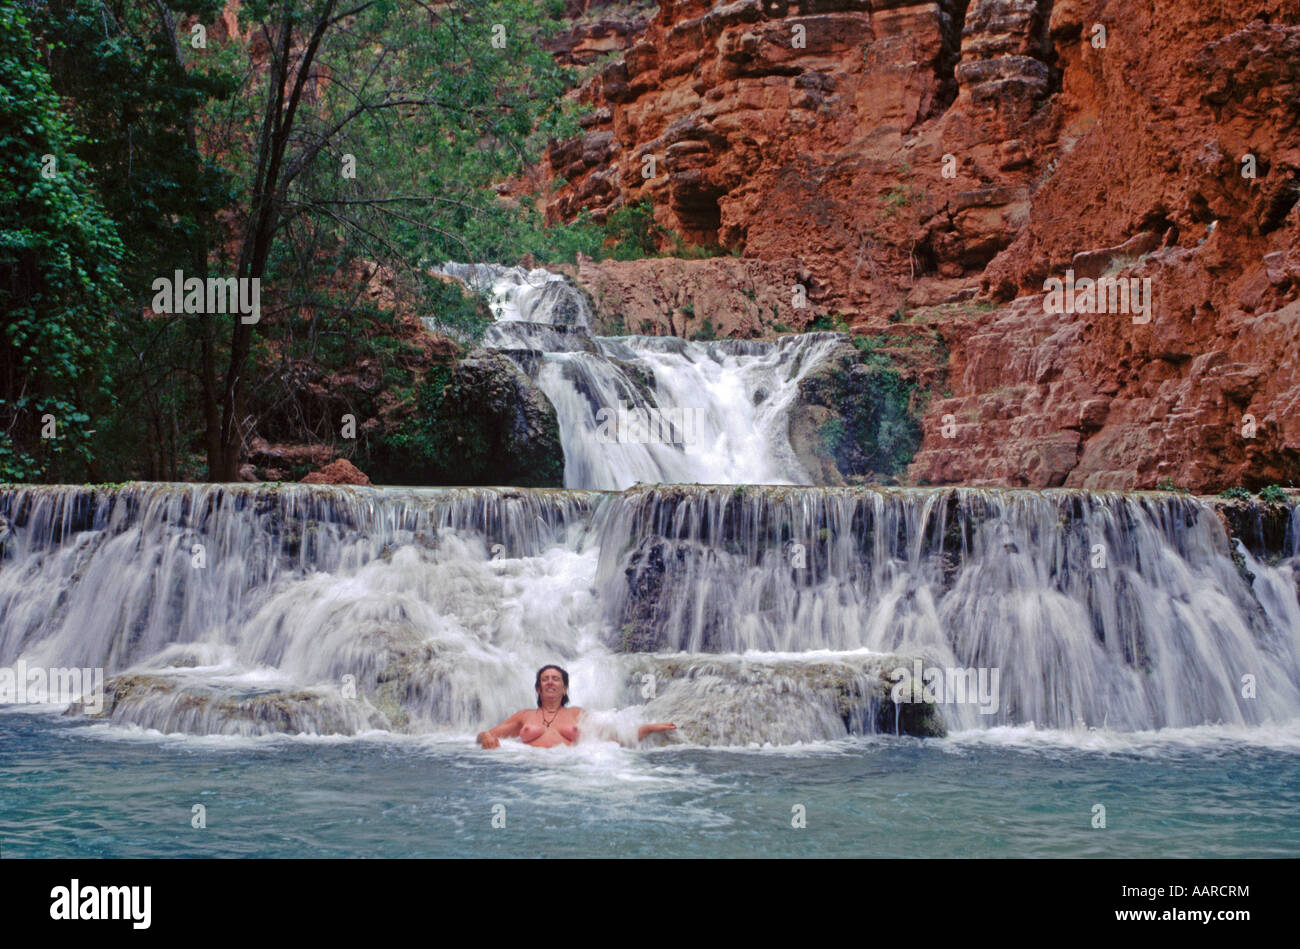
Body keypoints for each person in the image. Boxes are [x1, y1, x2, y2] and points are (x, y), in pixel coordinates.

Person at [476, 664, 676, 748]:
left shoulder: (577, 713)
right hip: (529, 769)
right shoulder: (524, 715)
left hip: (570, 771)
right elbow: (486, 735)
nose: (550, 682)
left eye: (556, 679)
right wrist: (485, 737)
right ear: (538, 689)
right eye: (545, 679)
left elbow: (616, 737)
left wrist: (650, 729)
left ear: (564, 689)